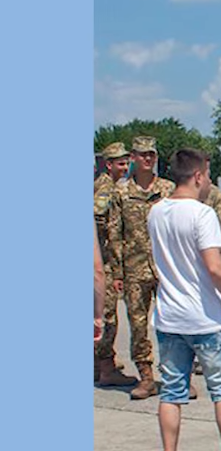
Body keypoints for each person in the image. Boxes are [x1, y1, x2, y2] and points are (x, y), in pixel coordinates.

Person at [147, 149, 221, 451]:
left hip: (169, 317)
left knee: (172, 393)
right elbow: (214, 267)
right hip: (205, 318)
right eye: (207, 175)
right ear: (198, 176)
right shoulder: (203, 214)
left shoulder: (156, 212)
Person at [107, 136, 177, 400]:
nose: (148, 158)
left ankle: (174, 375)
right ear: (134, 158)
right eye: (142, 154)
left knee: (172, 322)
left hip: (166, 269)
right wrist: (116, 272)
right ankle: (146, 377)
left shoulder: (168, 189)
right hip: (135, 269)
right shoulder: (121, 193)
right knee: (138, 325)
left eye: (152, 154)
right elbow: (114, 233)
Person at [95, 141, 138, 386]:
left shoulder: (110, 186)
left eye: (126, 162)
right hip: (105, 261)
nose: (125, 167)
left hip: (104, 259)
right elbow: (98, 218)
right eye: (120, 163)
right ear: (108, 165)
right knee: (108, 315)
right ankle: (106, 368)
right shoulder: (106, 188)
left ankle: (97, 364)